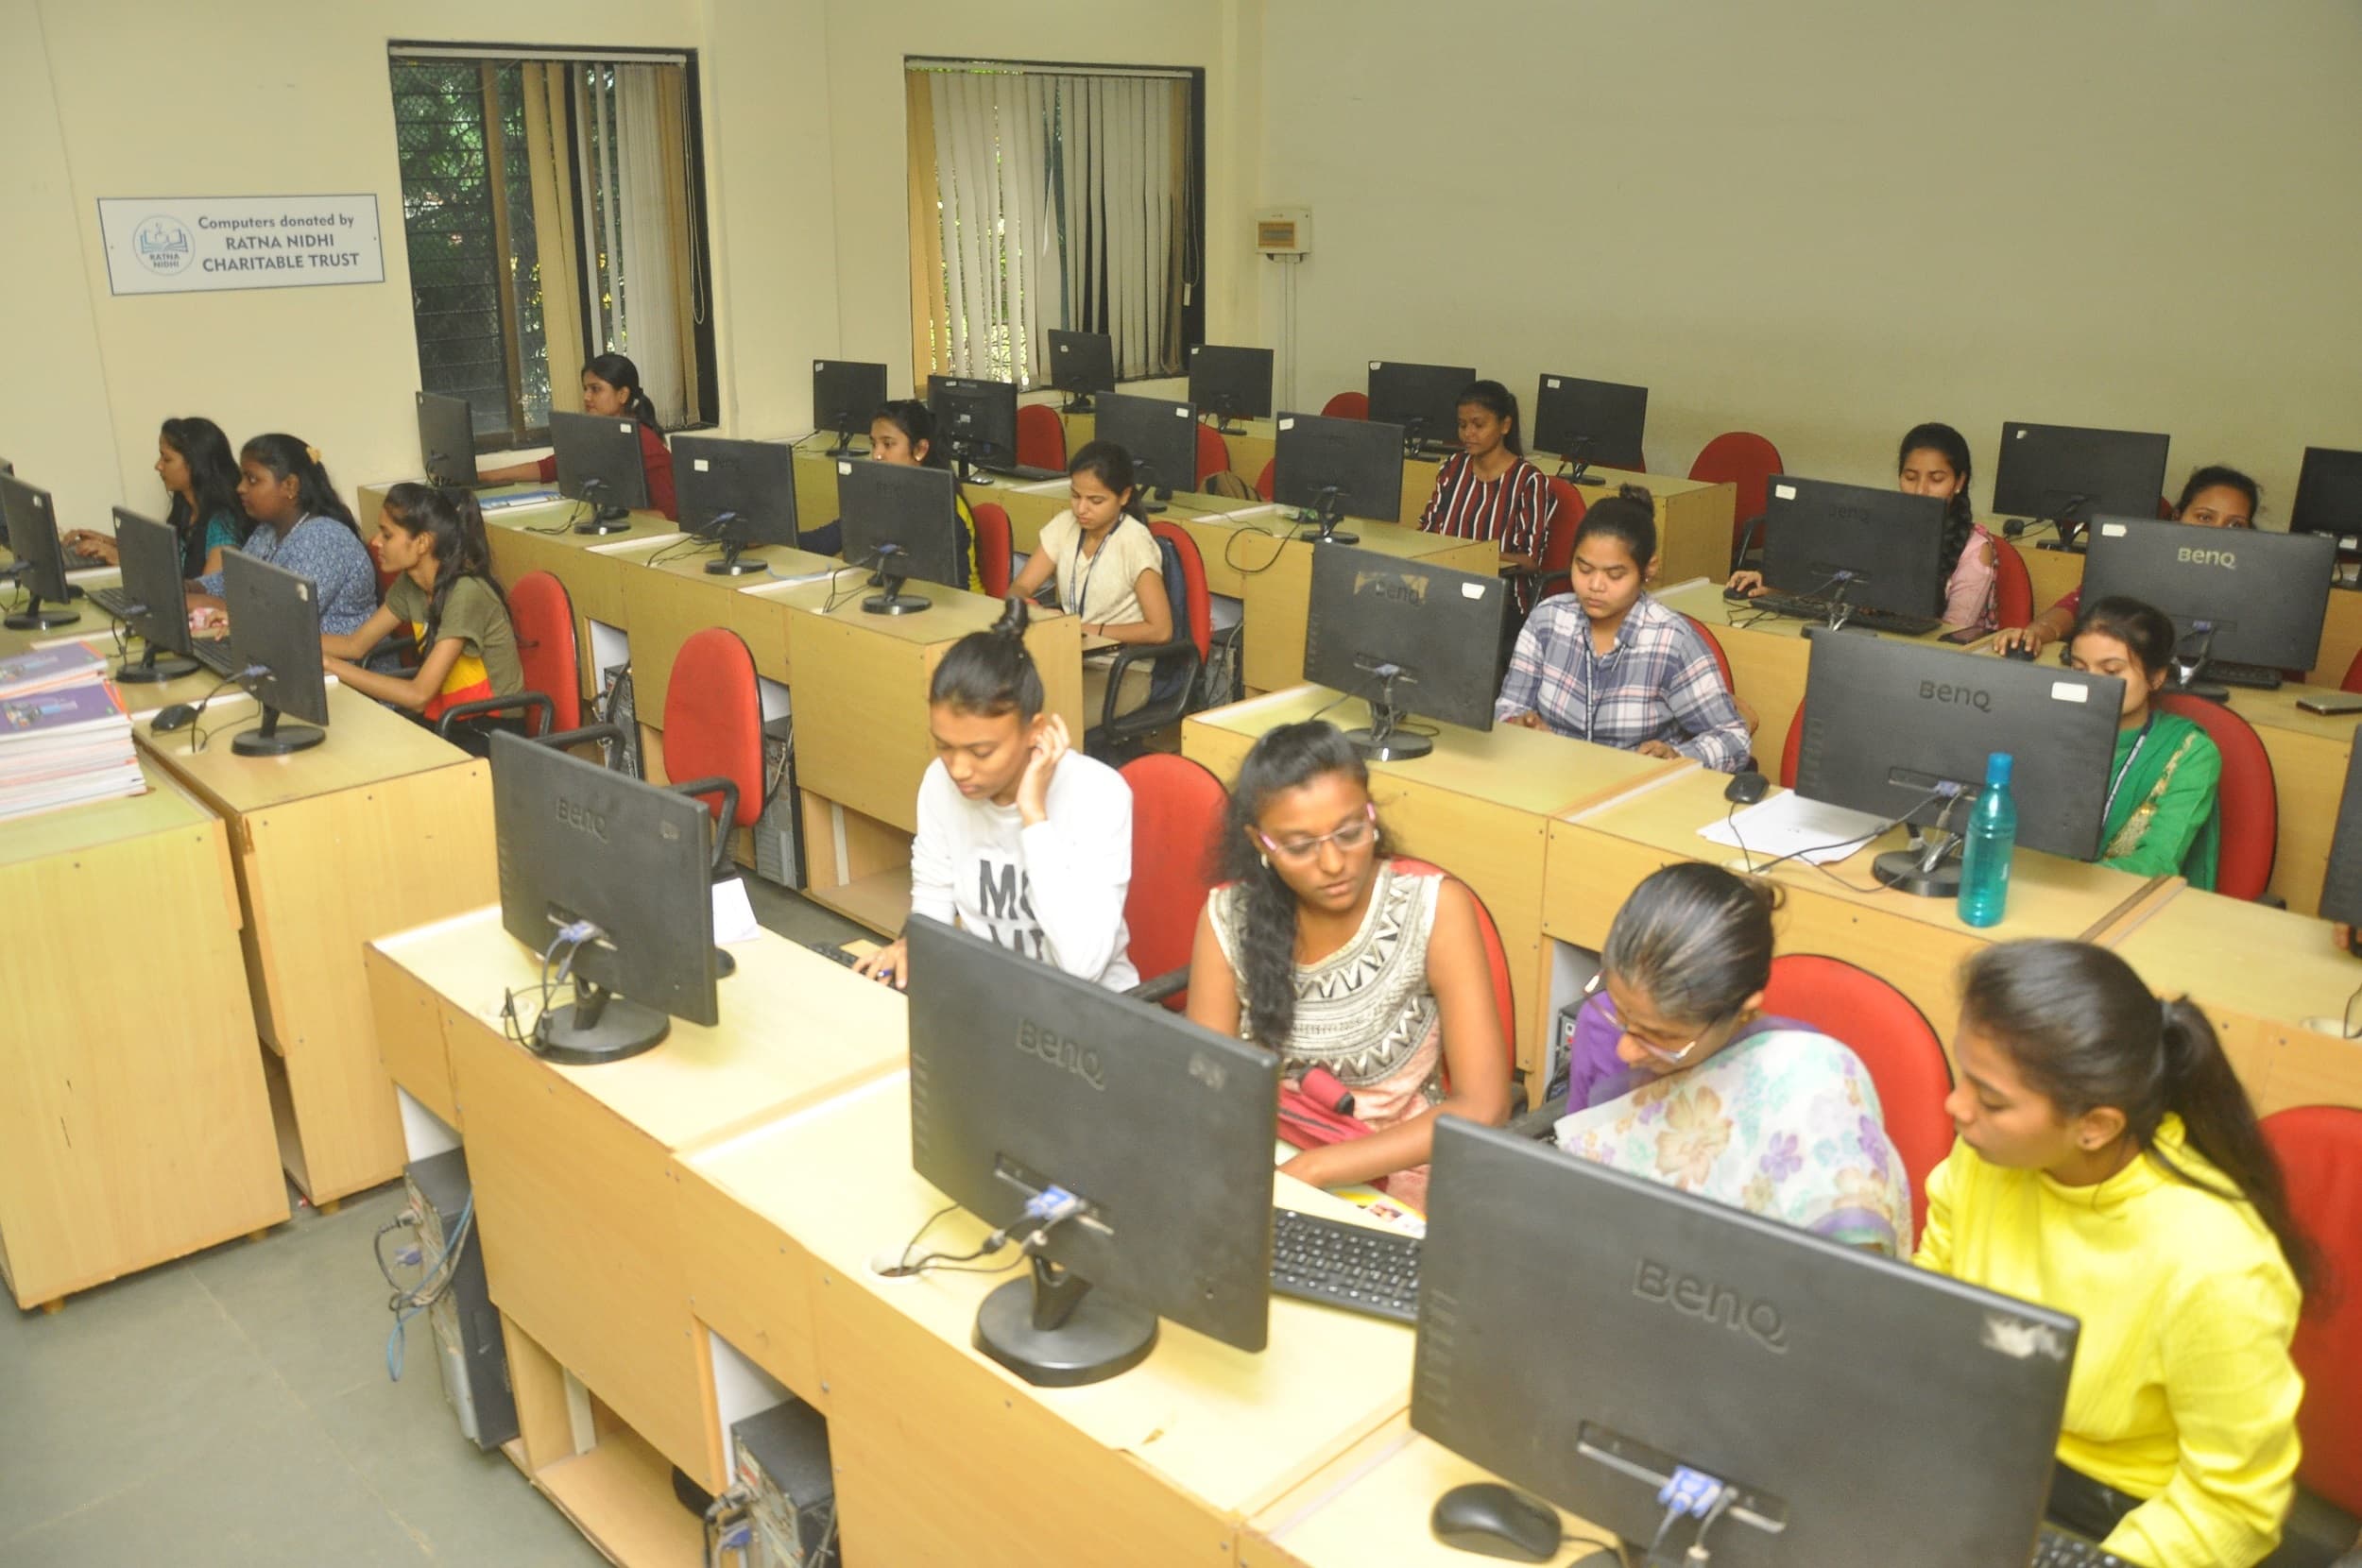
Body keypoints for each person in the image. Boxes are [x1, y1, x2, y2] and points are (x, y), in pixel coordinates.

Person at [1917, 940, 2309, 1568]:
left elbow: (2236, 1506)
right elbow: (1928, 1309)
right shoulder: (1994, 1151)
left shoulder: (2216, 1264)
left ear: (2094, 1126)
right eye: (1965, 1078)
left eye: (1990, 1099)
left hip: (2121, 1517)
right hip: (1987, 1453)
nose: (1956, 1108)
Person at [1186, 720, 1509, 1207]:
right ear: (1261, 844)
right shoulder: (1228, 919)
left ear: (1371, 814)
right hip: (1270, 1159)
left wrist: (1316, 1169)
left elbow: (1484, 1105)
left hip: (1396, 1176)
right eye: (1299, 846)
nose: (1334, 864)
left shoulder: (1434, 908)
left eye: (1351, 832)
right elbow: (1209, 1085)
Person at [1552, 863, 1914, 1254]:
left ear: (1744, 1011)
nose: (1627, 1049)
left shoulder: (1814, 1092)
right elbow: (1579, 1191)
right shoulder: (1603, 1028)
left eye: (1662, 1037)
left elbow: (1854, 1282)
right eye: (1622, 1015)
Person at [854, 597, 1136, 993]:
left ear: (1035, 731)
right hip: (990, 999)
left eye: (981, 752)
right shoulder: (939, 783)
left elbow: (1082, 967)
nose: (958, 769)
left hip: (1089, 1015)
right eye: (944, 746)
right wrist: (912, 946)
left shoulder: (1098, 794)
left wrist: (1033, 816)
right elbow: (933, 900)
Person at [1496, 486, 1752, 771]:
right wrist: (1517, 724)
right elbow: (1508, 705)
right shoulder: (1547, 620)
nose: (1595, 585)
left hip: (1635, 795)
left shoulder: (1671, 641)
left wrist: (1678, 756)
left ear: (1648, 569)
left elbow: (1733, 737)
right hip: (1549, 781)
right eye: (1584, 569)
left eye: (1615, 575)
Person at [1728, 421, 1995, 630]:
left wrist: (1889, 612)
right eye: (1910, 477)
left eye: (1937, 479)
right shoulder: (1881, 527)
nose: (1921, 490)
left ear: (1960, 481)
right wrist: (1777, 583)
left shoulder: (1975, 550)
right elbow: (1837, 581)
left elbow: (1952, 635)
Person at [320, 485, 522, 748]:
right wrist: (291, 643)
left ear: (423, 542)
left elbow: (418, 695)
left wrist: (331, 666)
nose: (375, 542)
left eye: (387, 534)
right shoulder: (410, 584)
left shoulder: (465, 593)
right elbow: (355, 645)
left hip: (490, 730)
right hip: (448, 717)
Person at [1994, 465, 2262, 656]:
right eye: (2204, 517)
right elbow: (2078, 606)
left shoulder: (2257, 584)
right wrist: (2036, 633)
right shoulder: (2140, 564)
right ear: (2178, 516)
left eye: (2235, 525)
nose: (2217, 532)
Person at [2062, 596, 2222, 887]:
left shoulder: (2190, 752)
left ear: (2156, 677)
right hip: (2041, 891)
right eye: (2079, 669)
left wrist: (2076, 881)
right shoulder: (2054, 729)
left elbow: (2159, 861)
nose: (2093, 685)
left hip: (2133, 907)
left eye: (2111, 672)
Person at [1009, 441, 1172, 725]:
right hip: (1070, 659)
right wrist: (1030, 607)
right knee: (1001, 706)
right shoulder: (1064, 526)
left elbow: (1160, 630)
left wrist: (1085, 629)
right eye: (1075, 496)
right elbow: (1018, 588)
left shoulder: (1134, 542)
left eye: (1095, 501)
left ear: (1123, 497)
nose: (1081, 509)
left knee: (1047, 719)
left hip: (1122, 671)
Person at [187, 435, 377, 639]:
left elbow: (284, 617)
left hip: (338, 665)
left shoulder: (324, 538)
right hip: (283, 654)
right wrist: (191, 587)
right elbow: (230, 581)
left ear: (290, 486)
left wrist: (217, 606)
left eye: (252, 480)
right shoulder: (266, 531)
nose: (240, 488)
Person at [799, 400, 979, 591]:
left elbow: (955, 587)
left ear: (920, 450)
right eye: (874, 444)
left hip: (959, 607)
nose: (876, 454)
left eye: (888, 444)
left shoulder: (946, 506)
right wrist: (773, 536)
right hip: (900, 598)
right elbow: (824, 541)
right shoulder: (880, 496)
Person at [478, 353, 677, 520]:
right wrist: (486, 476)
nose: (586, 397)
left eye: (596, 389)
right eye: (585, 389)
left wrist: (618, 514)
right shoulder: (595, 432)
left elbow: (670, 513)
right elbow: (553, 467)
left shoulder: (645, 442)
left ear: (622, 395)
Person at [1416, 380, 1558, 612]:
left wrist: (1476, 557)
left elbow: (1530, 561)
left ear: (1505, 426)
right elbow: (1429, 531)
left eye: (1478, 425)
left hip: (1501, 600)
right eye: (1462, 425)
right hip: (1446, 590)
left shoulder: (1528, 480)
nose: (1468, 434)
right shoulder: (1453, 467)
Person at [63, 417, 247, 581]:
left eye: (167, 459)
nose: (158, 466)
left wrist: (126, 562)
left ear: (196, 465)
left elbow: (207, 593)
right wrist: (108, 543)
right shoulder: (186, 508)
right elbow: (166, 559)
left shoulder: (223, 523)